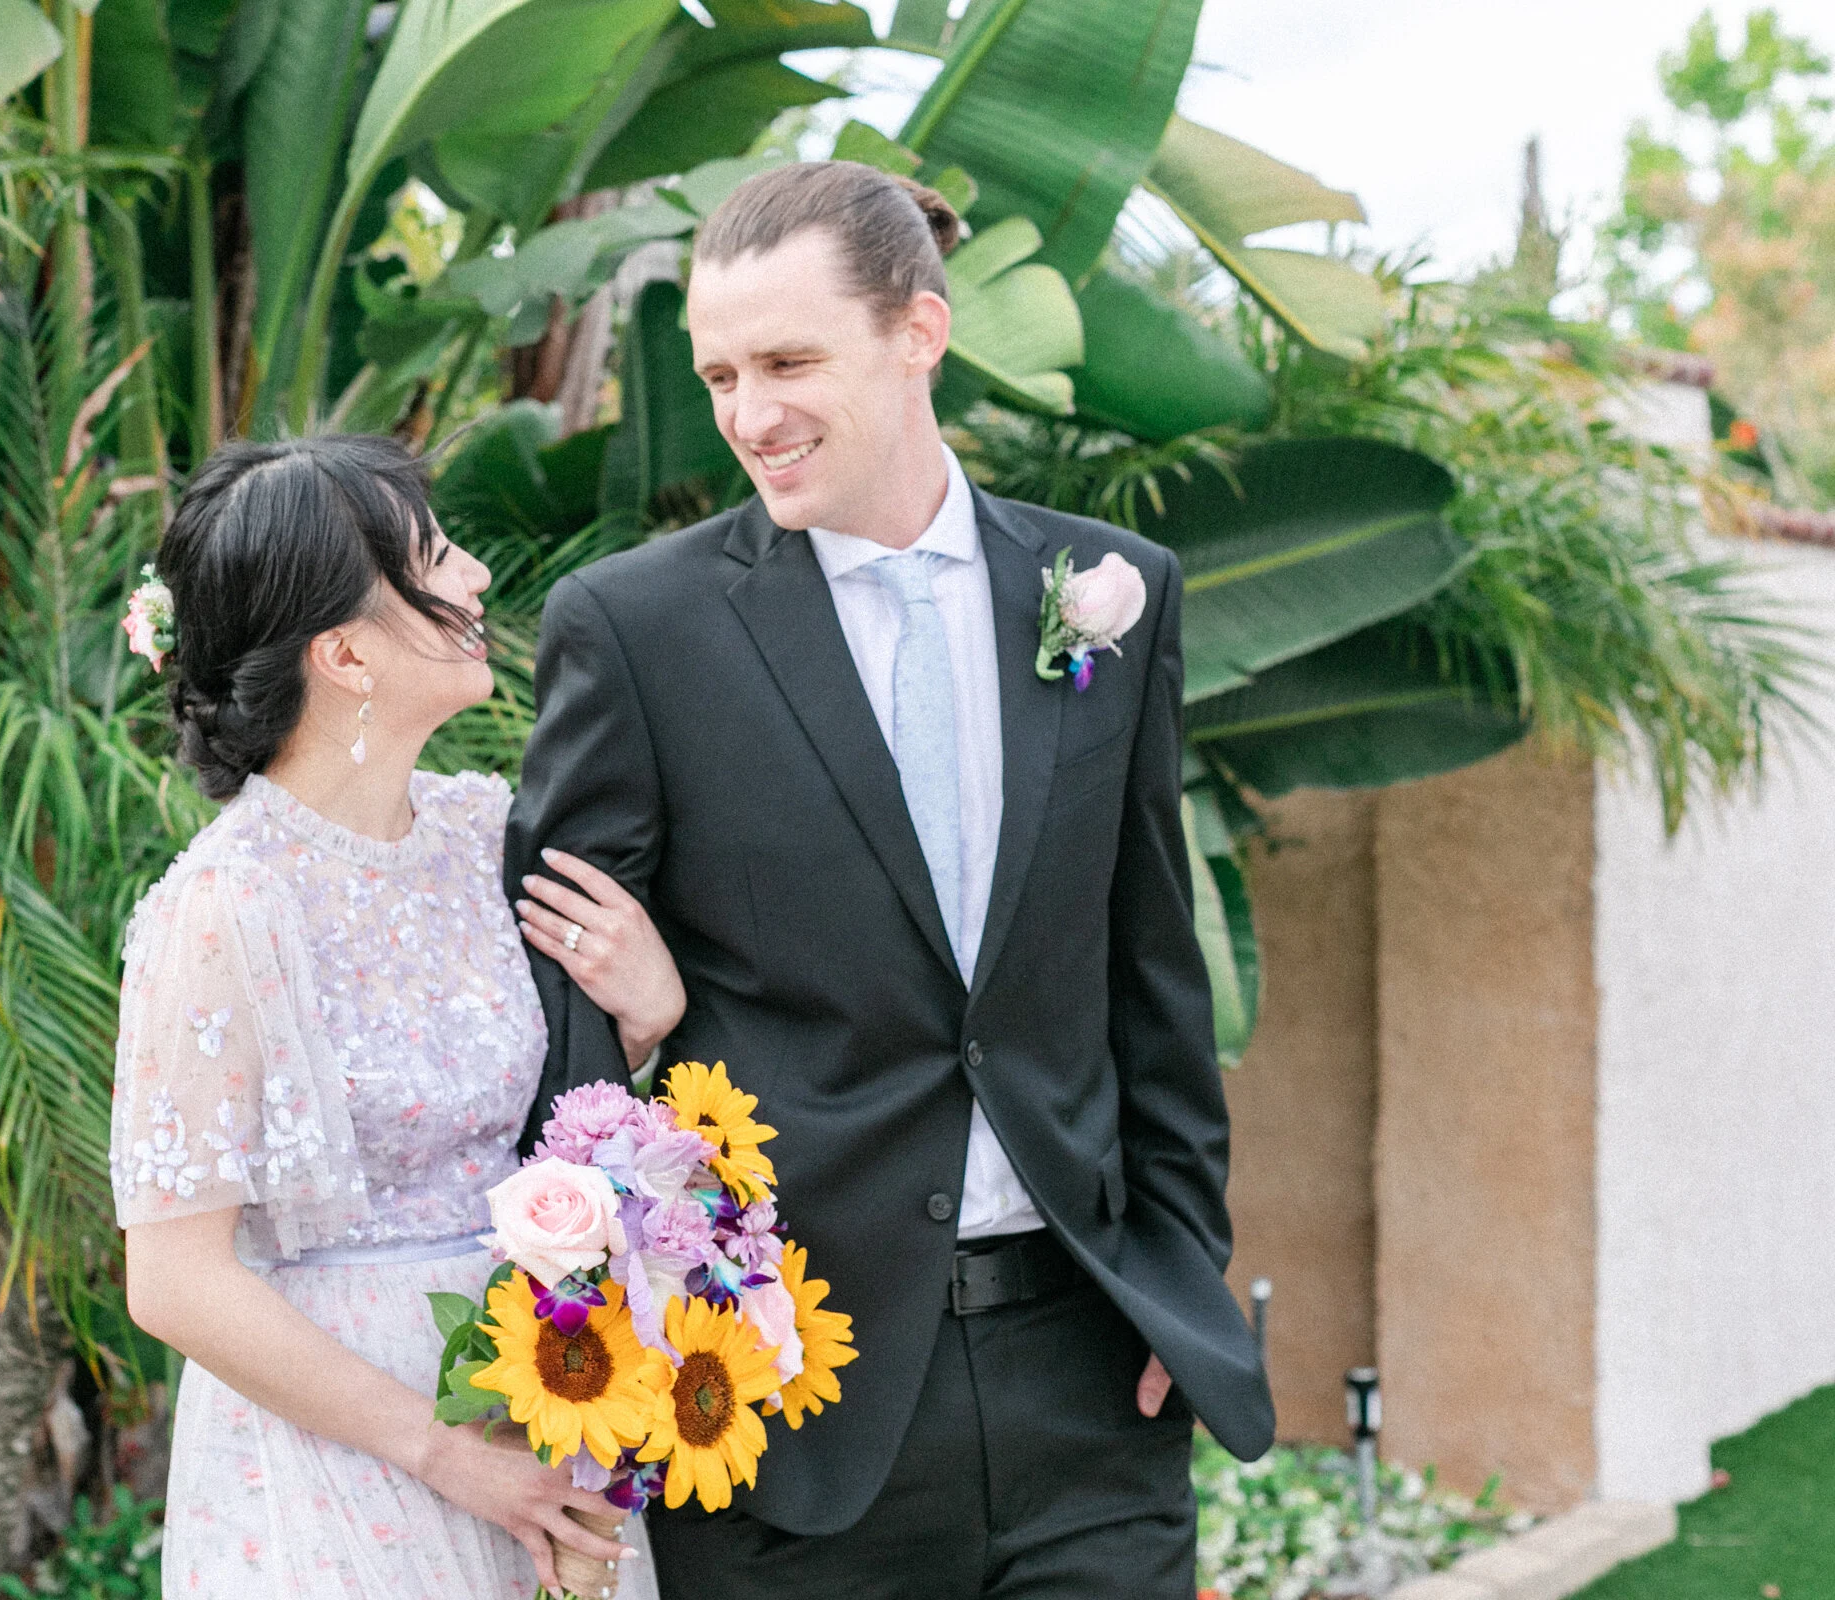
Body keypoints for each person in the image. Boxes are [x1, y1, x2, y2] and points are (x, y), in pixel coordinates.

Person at [505, 161, 1277, 1598]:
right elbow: (561, 1037)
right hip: (785, 1405)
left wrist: (1177, 1275)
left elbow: (1148, 969)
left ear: (919, 331)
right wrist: (604, 1337)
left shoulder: (1111, 591)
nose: (750, 415)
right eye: (721, 373)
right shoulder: (634, 630)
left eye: (791, 360)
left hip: (1086, 1382)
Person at [108, 436, 680, 1598]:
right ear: (346, 653)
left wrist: (644, 1025)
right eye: (437, 556)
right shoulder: (221, 909)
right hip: (343, 1457)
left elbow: (539, 1120)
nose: (474, 578)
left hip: (535, 1390)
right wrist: (440, 1450)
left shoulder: (486, 835)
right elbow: (172, 1279)